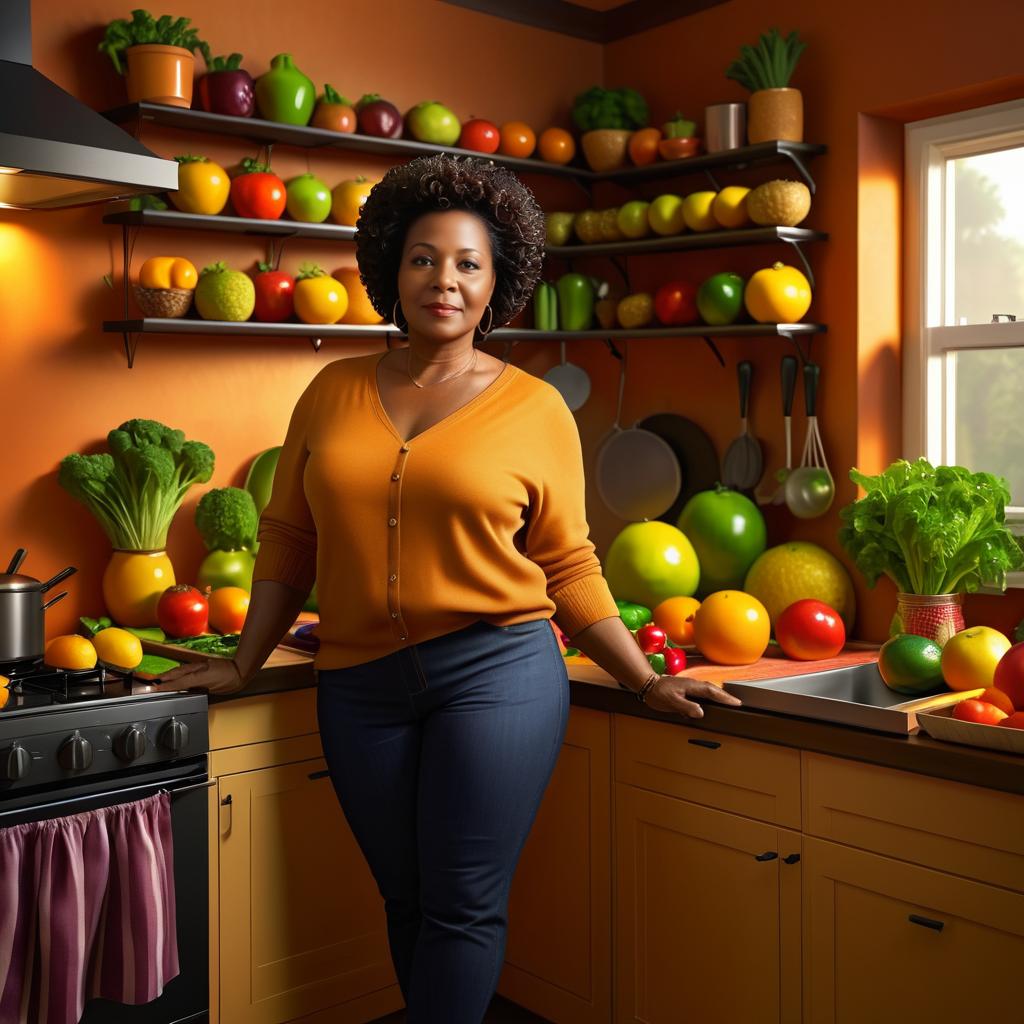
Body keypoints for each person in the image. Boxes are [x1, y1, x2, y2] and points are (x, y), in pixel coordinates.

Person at [157, 153, 742, 1022]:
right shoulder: (331, 390)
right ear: (392, 267)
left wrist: (645, 678)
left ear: (497, 281)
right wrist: (243, 664)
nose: (445, 279)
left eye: (469, 263)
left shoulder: (537, 408)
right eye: (425, 258)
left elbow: (569, 563)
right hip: (357, 685)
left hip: (496, 674)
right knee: (407, 899)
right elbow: (287, 538)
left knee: (463, 906)